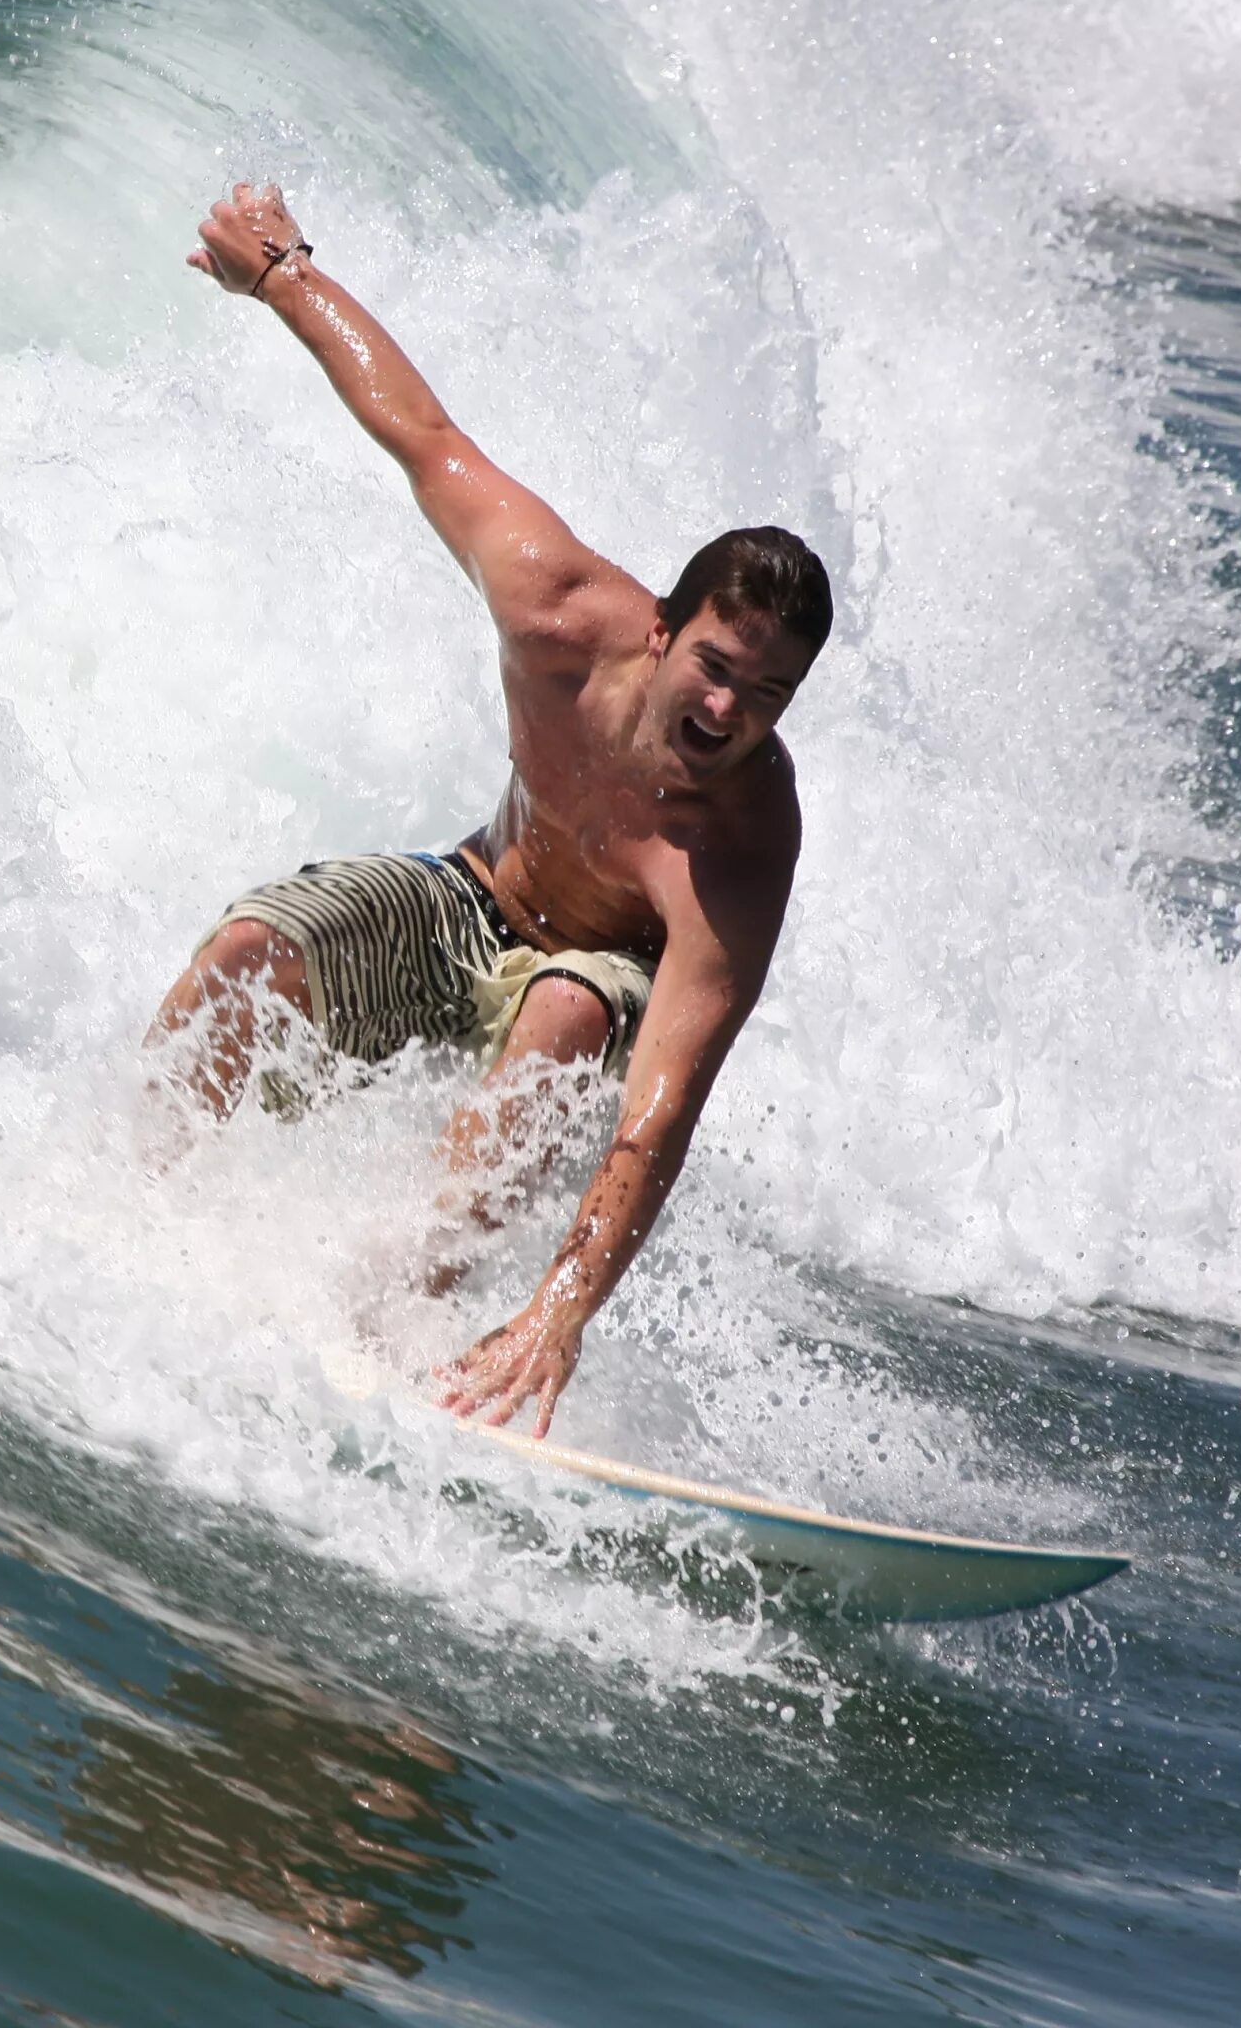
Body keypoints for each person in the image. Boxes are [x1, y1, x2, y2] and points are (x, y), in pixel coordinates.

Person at [145, 183, 832, 1440]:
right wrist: (285, 271)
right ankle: (126, 1193)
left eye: (769, 694)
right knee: (253, 948)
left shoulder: (738, 849)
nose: (730, 711)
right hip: (467, 893)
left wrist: (560, 1307)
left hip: (589, 980)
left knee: (569, 998)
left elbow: (660, 1110)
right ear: (663, 630)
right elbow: (423, 436)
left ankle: (396, 1323)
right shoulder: (555, 610)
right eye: (716, 668)